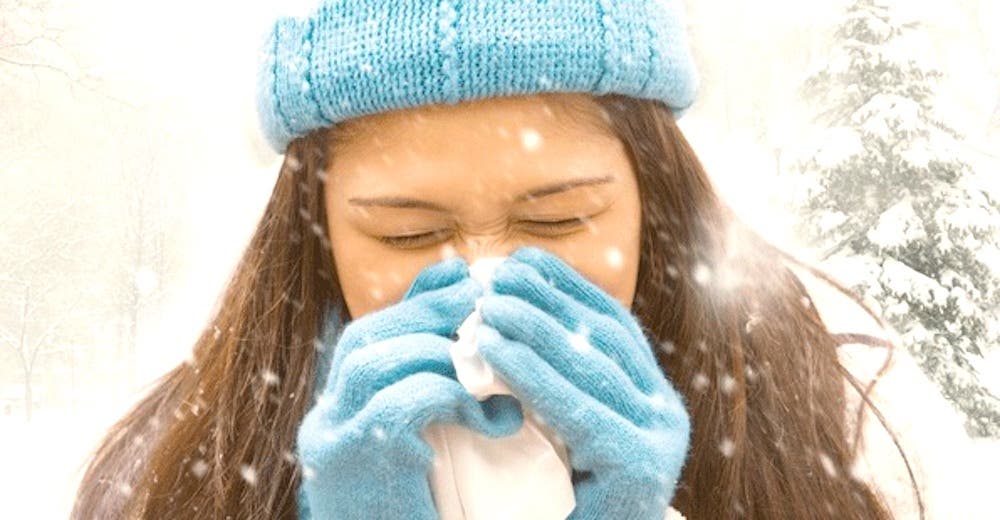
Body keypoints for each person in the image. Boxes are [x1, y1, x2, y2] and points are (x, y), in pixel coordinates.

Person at [70, 0, 970, 518]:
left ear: (655, 201)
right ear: (312, 237)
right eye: (407, 235)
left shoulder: (842, 421)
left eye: (561, 220)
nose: (483, 281)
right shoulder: (176, 468)